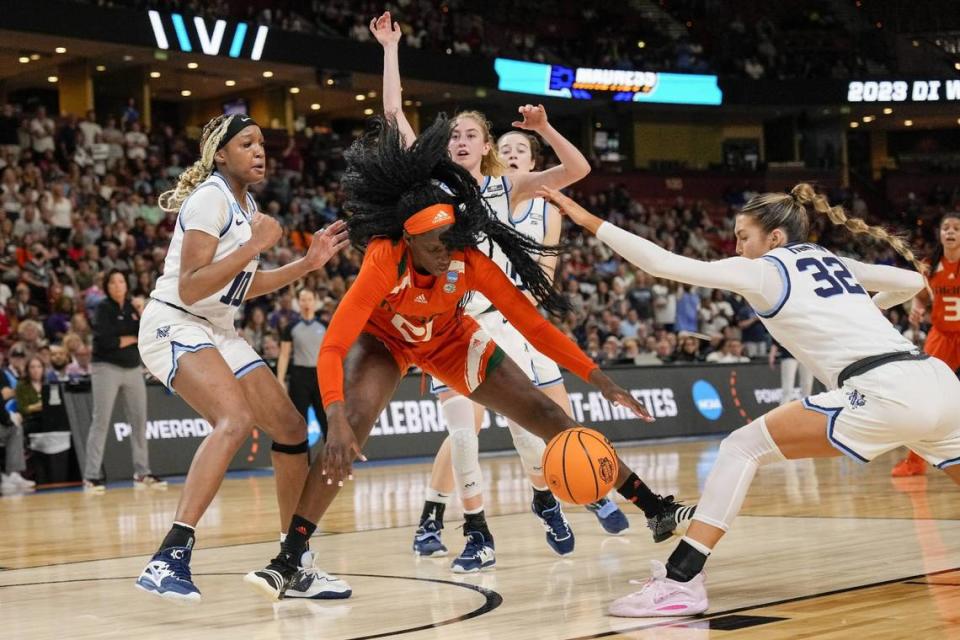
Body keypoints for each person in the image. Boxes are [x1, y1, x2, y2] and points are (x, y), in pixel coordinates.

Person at [245, 114, 694, 601]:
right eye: (435, 247)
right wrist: (332, 417)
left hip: (449, 337)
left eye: (453, 243)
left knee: (548, 413)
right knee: (349, 428)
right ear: (409, 239)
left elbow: (535, 327)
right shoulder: (383, 256)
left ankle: (653, 507)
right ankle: (289, 558)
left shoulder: (466, 258)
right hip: (385, 340)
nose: (447, 254)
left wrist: (597, 376)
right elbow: (333, 346)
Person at [538, 183, 960, 617]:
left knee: (741, 447)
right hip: (938, 382)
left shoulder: (765, 270)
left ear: (774, 238)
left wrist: (585, 218)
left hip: (883, 389)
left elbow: (660, 263)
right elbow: (911, 280)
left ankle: (681, 581)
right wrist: (871, 306)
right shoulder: (829, 259)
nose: (738, 246)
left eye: (743, 236)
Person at [372, 12, 629, 571]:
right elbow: (393, 113)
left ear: (485, 145)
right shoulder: (432, 180)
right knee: (462, 435)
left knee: (530, 432)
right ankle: (477, 533)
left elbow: (578, 167)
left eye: (470, 135)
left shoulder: (505, 188)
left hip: (509, 321)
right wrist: (391, 48)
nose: (460, 140)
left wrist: (543, 130)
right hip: (452, 323)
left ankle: (549, 499)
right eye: (454, 134)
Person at [132, 113, 349, 602]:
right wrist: (255, 243)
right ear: (220, 154)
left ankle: (294, 562)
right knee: (234, 419)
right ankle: (169, 555)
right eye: (247, 143)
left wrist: (307, 264)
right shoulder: (210, 197)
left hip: (218, 328)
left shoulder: (245, 203)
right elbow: (190, 285)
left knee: (292, 430)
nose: (259, 151)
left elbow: (242, 284)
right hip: (174, 320)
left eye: (262, 143)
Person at [891, 211, 960, 477]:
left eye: (956, 228)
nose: (951, 232)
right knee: (924, 396)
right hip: (941, 334)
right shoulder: (930, 264)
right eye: (946, 228)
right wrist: (918, 308)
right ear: (940, 234)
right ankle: (914, 462)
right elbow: (920, 298)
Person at [82, 269, 161, 493]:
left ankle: (142, 472)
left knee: (139, 421)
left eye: (121, 281)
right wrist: (131, 338)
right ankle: (91, 476)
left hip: (133, 368)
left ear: (126, 285)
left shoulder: (131, 308)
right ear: (107, 286)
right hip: (106, 368)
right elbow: (106, 341)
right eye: (113, 282)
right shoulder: (103, 308)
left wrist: (140, 310)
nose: (118, 285)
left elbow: (147, 332)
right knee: (101, 421)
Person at [277, 287, 328, 438]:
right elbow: (284, 354)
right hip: (299, 376)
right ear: (298, 303)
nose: (306, 303)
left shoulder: (324, 326)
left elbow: (331, 353)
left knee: (325, 419)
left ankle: (331, 460)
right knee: (300, 422)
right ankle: (303, 461)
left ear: (315, 302)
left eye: (309, 299)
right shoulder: (291, 327)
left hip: (320, 376)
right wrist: (280, 379)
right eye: (303, 300)